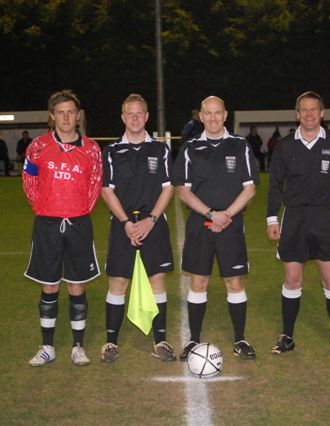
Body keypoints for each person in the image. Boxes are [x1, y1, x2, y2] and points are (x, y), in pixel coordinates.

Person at [267, 91, 330, 356]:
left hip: (324, 218)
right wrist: (272, 217)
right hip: (293, 218)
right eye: (304, 110)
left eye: (313, 110)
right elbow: (275, 184)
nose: (308, 114)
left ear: (322, 113)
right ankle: (288, 336)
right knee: (292, 280)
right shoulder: (284, 146)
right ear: (297, 115)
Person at [172, 95, 259, 361]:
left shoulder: (240, 145)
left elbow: (250, 188)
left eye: (217, 113)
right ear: (200, 116)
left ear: (225, 115)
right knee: (199, 281)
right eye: (207, 113)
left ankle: (240, 339)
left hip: (231, 224)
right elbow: (182, 192)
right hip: (200, 223)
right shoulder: (189, 148)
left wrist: (226, 215)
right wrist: (211, 214)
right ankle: (193, 340)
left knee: (234, 281)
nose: (212, 118)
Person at [23, 89, 103, 367]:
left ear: (78, 116)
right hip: (46, 223)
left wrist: (76, 210)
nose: (66, 117)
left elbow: (94, 187)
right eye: (61, 112)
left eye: (71, 112)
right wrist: (47, 208)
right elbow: (29, 181)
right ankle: (47, 347)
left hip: (79, 223)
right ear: (52, 116)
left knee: (76, 285)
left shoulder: (91, 149)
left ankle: (77, 346)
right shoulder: (37, 147)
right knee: (49, 285)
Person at [100, 94, 176, 363]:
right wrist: (125, 224)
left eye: (139, 113)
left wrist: (151, 220)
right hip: (122, 224)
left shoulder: (160, 150)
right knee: (118, 281)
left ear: (146, 117)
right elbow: (106, 191)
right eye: (129, 114)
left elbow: (168, 188)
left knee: (157, 279)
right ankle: (110, 342)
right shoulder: (110, 152)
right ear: (123, 118)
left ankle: (160, 340)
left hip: (153, 223)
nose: (134, 118)